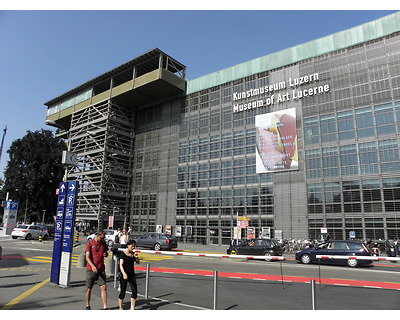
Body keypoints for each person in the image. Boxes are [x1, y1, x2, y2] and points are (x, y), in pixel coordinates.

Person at [85, 230, 109, 310]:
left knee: (104, 287)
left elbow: (106, 252)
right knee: (89, 287)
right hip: (91, 268)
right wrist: (92, 266)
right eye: (101, 238)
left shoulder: (103, 243)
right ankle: (88, 305)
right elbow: (87, 257)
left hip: (101, 268)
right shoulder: (90, 243)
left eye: (103, 238)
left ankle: (105, 307)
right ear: (97, 236)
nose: (103, 239)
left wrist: (105, 254)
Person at [118, 239, 140, 310]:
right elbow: (121, 265)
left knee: (134, 291)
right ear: (128, 246)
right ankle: (121, 308)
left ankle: (132, 308)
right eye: (132, 246)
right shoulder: (123, 254)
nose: (133, 247)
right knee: (122, 292)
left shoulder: (133, 254)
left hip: (132, 274)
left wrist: (136, 258)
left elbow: (138, 262)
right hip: (124, 274)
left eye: (134, 246)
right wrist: (124, 273)